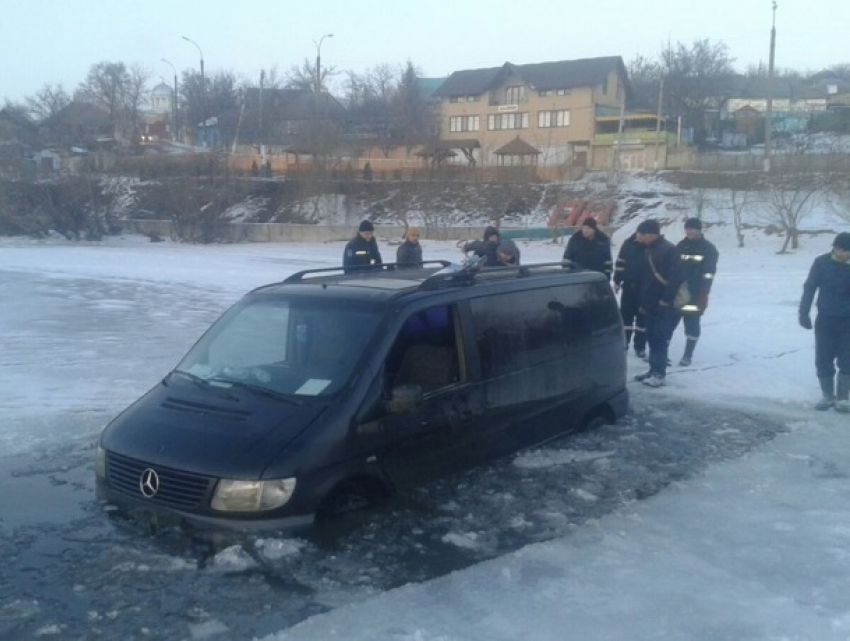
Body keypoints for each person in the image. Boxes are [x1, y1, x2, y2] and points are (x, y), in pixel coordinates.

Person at [798, 231, 850, 413]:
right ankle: (827, 396)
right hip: (826, 320)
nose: (845, 254)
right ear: (834, 248)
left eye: (848, 251)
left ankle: (843, 399)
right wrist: (803, 312)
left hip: (848, 321)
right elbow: (809, 288)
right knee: (823, 359)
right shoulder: (821, 263)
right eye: (842, 250)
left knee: (847, 359)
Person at [633, 219, 684, 388]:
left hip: (663, 304)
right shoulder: (649, 249)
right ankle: (653, 369)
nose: (638, 239)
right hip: (650, 302)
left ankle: (659, 374)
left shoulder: (669, 250)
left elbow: (676, 277)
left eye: (641, 235)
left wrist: (666, 299)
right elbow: (646, 279)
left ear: (650, 234)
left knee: (659, 338)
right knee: (650, 336)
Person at [673, 217, 720, 366]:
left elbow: (709, 272)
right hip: (678, 293)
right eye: (687, 229)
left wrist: (704, 292)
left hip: (695, 294)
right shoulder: (680, 246)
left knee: (692, 324)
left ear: (699, 230)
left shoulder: (708, 249)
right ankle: (662, 354)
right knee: (668, 323)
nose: (690, 231)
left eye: (693, 229)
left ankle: (688, 355)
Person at [613, 230, 648, 358]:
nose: (639, 238)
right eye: (638, 235)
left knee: (642, 320)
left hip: (645, 290)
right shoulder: (628, 244)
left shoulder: (651, 246)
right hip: (628, 287)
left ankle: (640, 346)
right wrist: (617, 281)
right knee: (626, 318)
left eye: (642, 236)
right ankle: (624, 344)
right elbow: (620, 264)